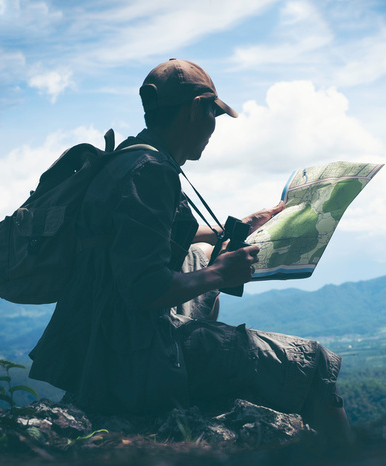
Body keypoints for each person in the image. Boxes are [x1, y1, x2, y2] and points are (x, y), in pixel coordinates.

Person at [28, 58, 351, 444]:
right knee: (313, 364)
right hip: (129, 357)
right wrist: (221, 274)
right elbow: (143, 287)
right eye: (213, 113)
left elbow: (148, 236)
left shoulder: (128, 157)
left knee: (200, 252)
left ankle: (207, 360)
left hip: (96, 339)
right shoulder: (151, 172)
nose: (214, 128)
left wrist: (243, 226)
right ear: (196, 108)